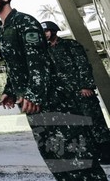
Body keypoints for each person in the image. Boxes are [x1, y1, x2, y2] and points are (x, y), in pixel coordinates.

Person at [0, 0, 107, 180]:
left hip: (50, 100)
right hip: (31, 103)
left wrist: (34, 95)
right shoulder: (2, 29)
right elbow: (15, 66)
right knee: (52, 153)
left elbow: (37, 61)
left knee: (74, 151)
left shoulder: (25, 22)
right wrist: (9, 91)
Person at [42, 20, 110, 164]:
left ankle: (107, 152)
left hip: (82, 92)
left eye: (46, 31)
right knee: (79, 126)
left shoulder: (70, 45)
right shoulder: (46, 51)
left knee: (95, 122)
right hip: (66, 96)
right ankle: (94, 154)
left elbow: (83, 65)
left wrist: (86, 86)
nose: (45, 35)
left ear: (54, 31)